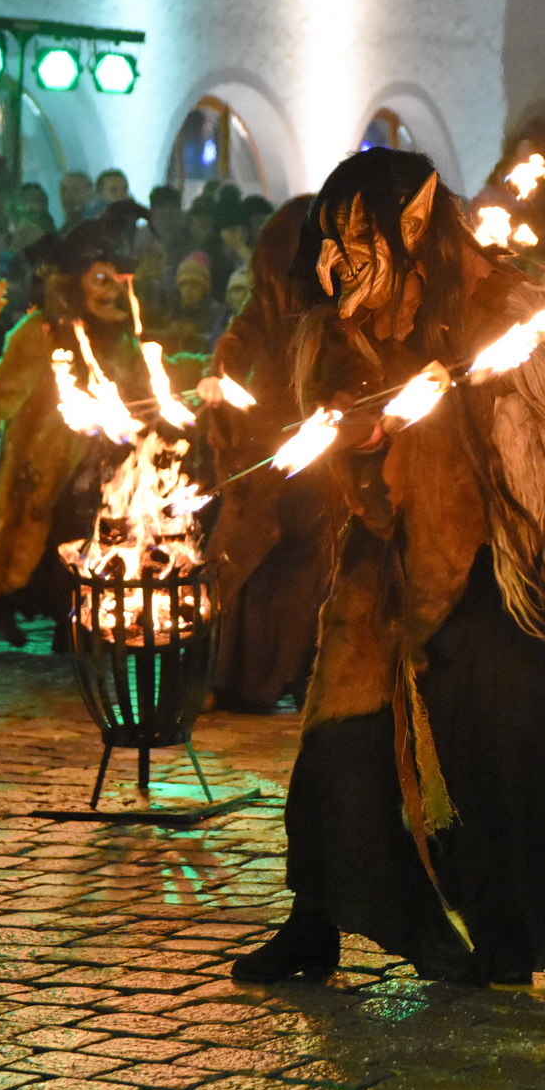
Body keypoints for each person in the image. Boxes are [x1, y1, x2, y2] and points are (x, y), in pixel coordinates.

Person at [230, 149, 545, 987]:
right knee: (341, 742)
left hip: (492, 575)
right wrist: (359, 443)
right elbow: (338, 435)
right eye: (333, 240)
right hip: (382, 571)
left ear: (411, 226)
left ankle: (498, 937)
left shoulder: (495, 309)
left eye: (360, 236)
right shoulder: (346, 327)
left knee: (488, 766)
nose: (341, 260)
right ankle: (317, 915)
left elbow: (541, 461)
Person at [0, 223, 200, 648]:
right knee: (30, 551)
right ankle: (1, 600)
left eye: (115, 281)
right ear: (74, 284)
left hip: (103, 469)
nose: (111, 290)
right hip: (46, 467)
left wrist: (205, 372)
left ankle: (77, 628)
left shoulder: (121, 339)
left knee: (90, 549)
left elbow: (154, 382)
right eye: (100, 279)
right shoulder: (37, 336)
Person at [196, 196, 338, 713]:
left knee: (312, 567)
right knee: (246, 564)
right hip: (270, 435)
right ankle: (235, 677)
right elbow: (241, 335)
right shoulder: (270, 296)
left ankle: (296, 672)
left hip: (323, 438)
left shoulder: (337, 299)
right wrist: (220, 374)